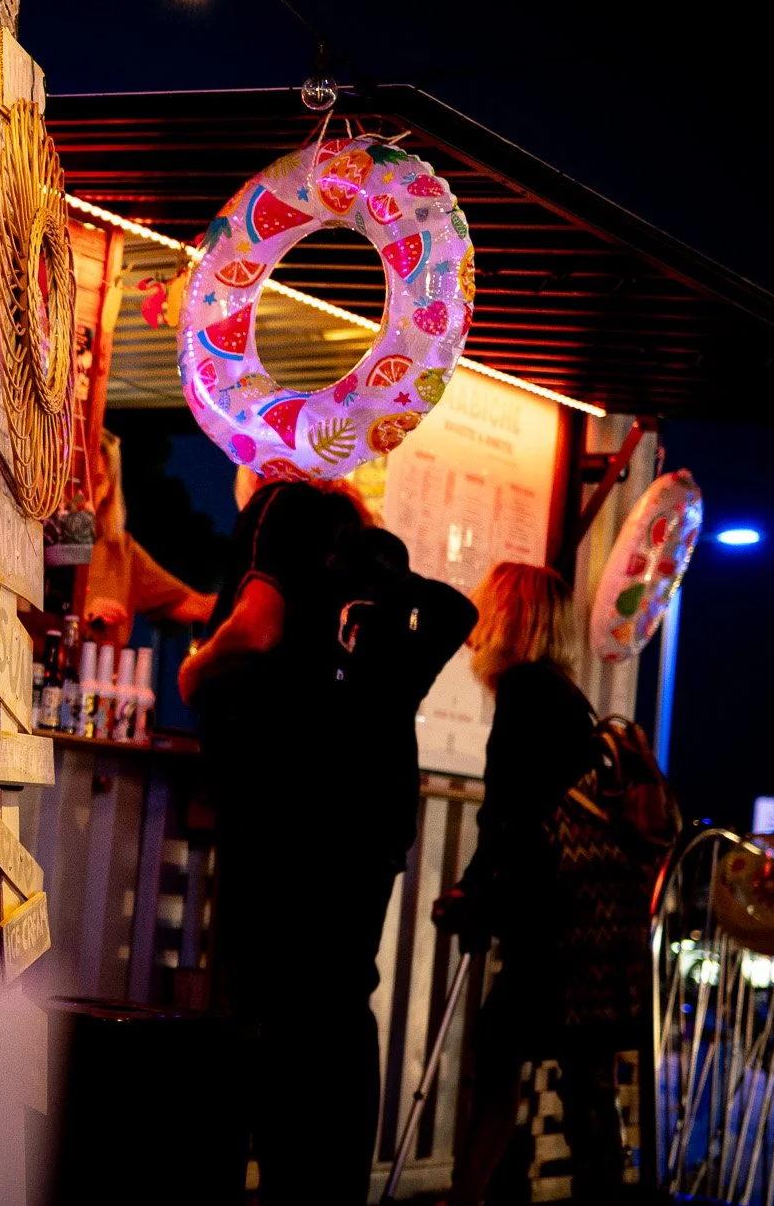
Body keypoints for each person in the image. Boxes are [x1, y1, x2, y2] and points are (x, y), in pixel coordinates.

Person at [179, 474, 473, 1203]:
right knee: (343, 999)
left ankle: (268, 1177)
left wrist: (193, 668)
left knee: (266, 1003)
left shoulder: (279, 506)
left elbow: (256, 623)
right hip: (370, 812)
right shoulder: (364, 555)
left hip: (287, 799)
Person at [434, 563, 647, 1205]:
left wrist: (478, 897)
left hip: (550, 928)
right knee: (587, 1078)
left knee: (498, 1062)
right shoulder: (566, 699)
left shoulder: (526, 697)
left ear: (510, 619)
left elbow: (512, 819)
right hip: (596, 927)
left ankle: (467, 1195)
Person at [82, 430, 215, 644]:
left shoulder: (121, 551)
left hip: (100, 675)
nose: (85, 492)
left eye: (96, 481)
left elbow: (188, 603)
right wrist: (83, 617)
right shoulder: (42, 541)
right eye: (79, 479)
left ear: (109, 489)